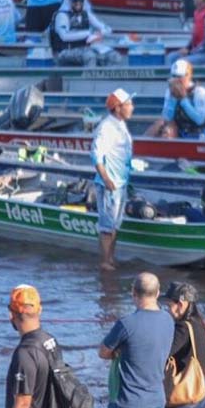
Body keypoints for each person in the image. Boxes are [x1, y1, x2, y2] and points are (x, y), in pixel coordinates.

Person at [99, 272, 175, 408]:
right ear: (158, 292)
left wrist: (117, 352)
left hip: (130, 400)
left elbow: (103, 352)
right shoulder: (168, 320)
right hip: (156, 397)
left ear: (133, 292)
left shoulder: (126, 323)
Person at [4, 284, 61, 408]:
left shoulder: (25, 352)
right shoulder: (50, 341)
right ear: (39, 310)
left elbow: (23, 403)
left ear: (11, 314)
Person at [161, 282, 205, 408]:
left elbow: (164, 353)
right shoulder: (200, 323)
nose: (168, 310)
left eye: (170, 305)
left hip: (181, 396)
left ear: (181, 304)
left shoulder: (182, 328)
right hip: (199, 394)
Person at [92, 88, 135, 271]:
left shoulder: (120, 125)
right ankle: (105, 262)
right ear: (118, 108)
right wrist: (106, 179)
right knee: (107, 226)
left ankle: (110, 259)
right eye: (128, 104)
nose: (132, 107)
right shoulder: (106, 128)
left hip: (120, 182)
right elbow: (96, 157)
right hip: (110, 184)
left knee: (115, 225)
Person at [50, 0, 117, 66]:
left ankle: (106, 74)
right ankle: (88, 74)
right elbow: (64, 36)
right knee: (90, 56)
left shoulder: (86, 14)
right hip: (65, 51)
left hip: (84, 49)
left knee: (112, 55)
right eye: (75, 0)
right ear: (69, 1)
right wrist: (88, 34)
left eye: (80, 0)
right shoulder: (62, 16)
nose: (78, 3)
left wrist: (101, 33)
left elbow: (106, 28)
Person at [149, 59, 205, 139]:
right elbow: (167, 117)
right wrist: (173, 99)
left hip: (199, 133)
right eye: (174, 76)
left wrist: (183, 100)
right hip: (180, 131)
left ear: (188, 76)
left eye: (179, 76)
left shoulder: (199, 91)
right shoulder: (170, 91)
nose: (176, 80)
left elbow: (200, 120)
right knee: (159, 125)